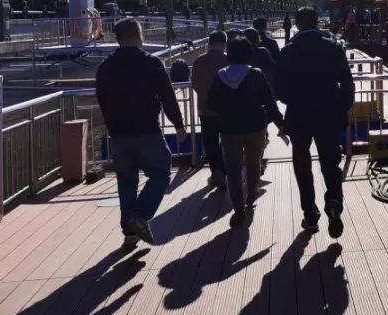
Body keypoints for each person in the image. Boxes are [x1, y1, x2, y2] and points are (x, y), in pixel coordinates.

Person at [96, 18, 187, 246]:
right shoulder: (151, 63)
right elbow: (167, 96)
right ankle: (140, 215)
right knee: (161, 171)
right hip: (147, 129)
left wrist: (111, 124)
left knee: (126, 181)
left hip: (118, 133)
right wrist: (178, 125)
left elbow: (102, 99)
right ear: (138, 35)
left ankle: (130, 232)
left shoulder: (105, 67)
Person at [275, 7, 354, 237]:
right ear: (317, 23)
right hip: (329, 112)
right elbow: (347, 83)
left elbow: (279, 88)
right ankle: (334, 202)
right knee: (331, 162)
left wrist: (293, 100)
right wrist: (343, 105)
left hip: (299, 114)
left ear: (297, 24)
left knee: (302, 164)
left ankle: (310, 214)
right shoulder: (333, 48)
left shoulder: (288, 51)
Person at [208, 37, 284, 226]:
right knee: (253, 163)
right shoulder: (256, 74)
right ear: (249, 54)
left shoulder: (220, 75)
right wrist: (280, 123)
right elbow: (269, 101)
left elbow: (211, 103)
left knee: (232, 169)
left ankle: (238, 207)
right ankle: (251, 194)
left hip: (229, 129)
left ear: (229, 54)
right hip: (255, 127)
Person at [191, 30, 228, 189]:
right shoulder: (229, 60)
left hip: (206, 109)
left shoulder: (199, 61)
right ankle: (229, 170)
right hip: (228, 110)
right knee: (228, 141)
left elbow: (195, 85)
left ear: (209, 43)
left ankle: (217, 172)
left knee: (211, 142)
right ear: (225, 43)